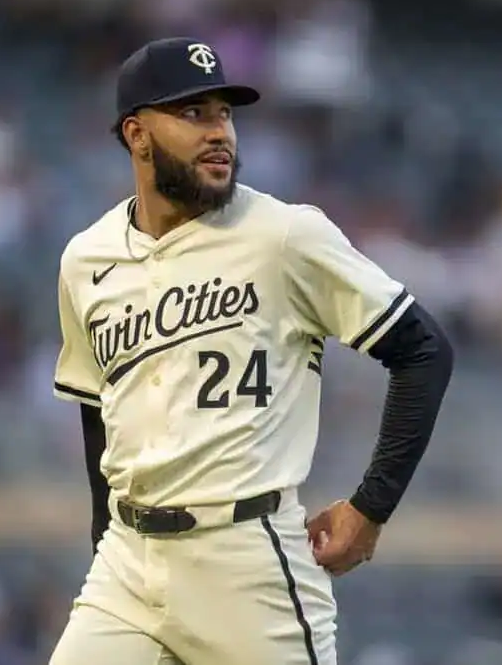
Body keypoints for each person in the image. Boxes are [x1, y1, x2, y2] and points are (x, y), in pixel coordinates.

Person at [49, 37, 454, 665]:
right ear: (137, 134)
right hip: (126, 563)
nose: (219, 132)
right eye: (193, 113)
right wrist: (104, 544)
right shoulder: (86, 259)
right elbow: (98, 414)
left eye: (225, 113)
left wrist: (370, 507)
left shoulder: (283, 235)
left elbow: (424, 350)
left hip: (245, 557)